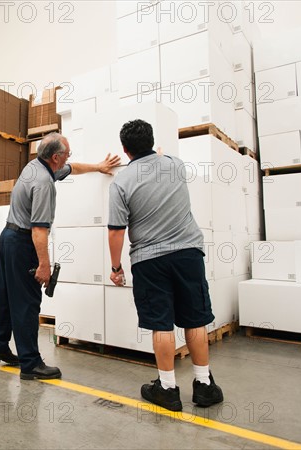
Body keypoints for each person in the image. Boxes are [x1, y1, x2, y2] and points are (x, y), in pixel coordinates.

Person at [107, 120, 224, 411]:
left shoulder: (120, 182)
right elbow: (161, 158)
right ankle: (204, 385)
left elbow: (116, 231)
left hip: (149, 260)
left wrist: (116, 268)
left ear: (124, 149)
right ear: (152, 141)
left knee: (161, 322)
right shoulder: (175, 164)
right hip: (188, 254)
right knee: (195, 319)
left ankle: (168, 389)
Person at [0, 132, 121, 380]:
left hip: (8, 237)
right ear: (56, 157)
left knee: (5, 295)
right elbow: (39, 230)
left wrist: (98, 167)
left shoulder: (36, 166)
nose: (69, 158)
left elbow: (72, 169)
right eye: (67, 154)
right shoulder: (44, 184)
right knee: (28, 303)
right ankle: (30, 363)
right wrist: (44, 266)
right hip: (22, 241)